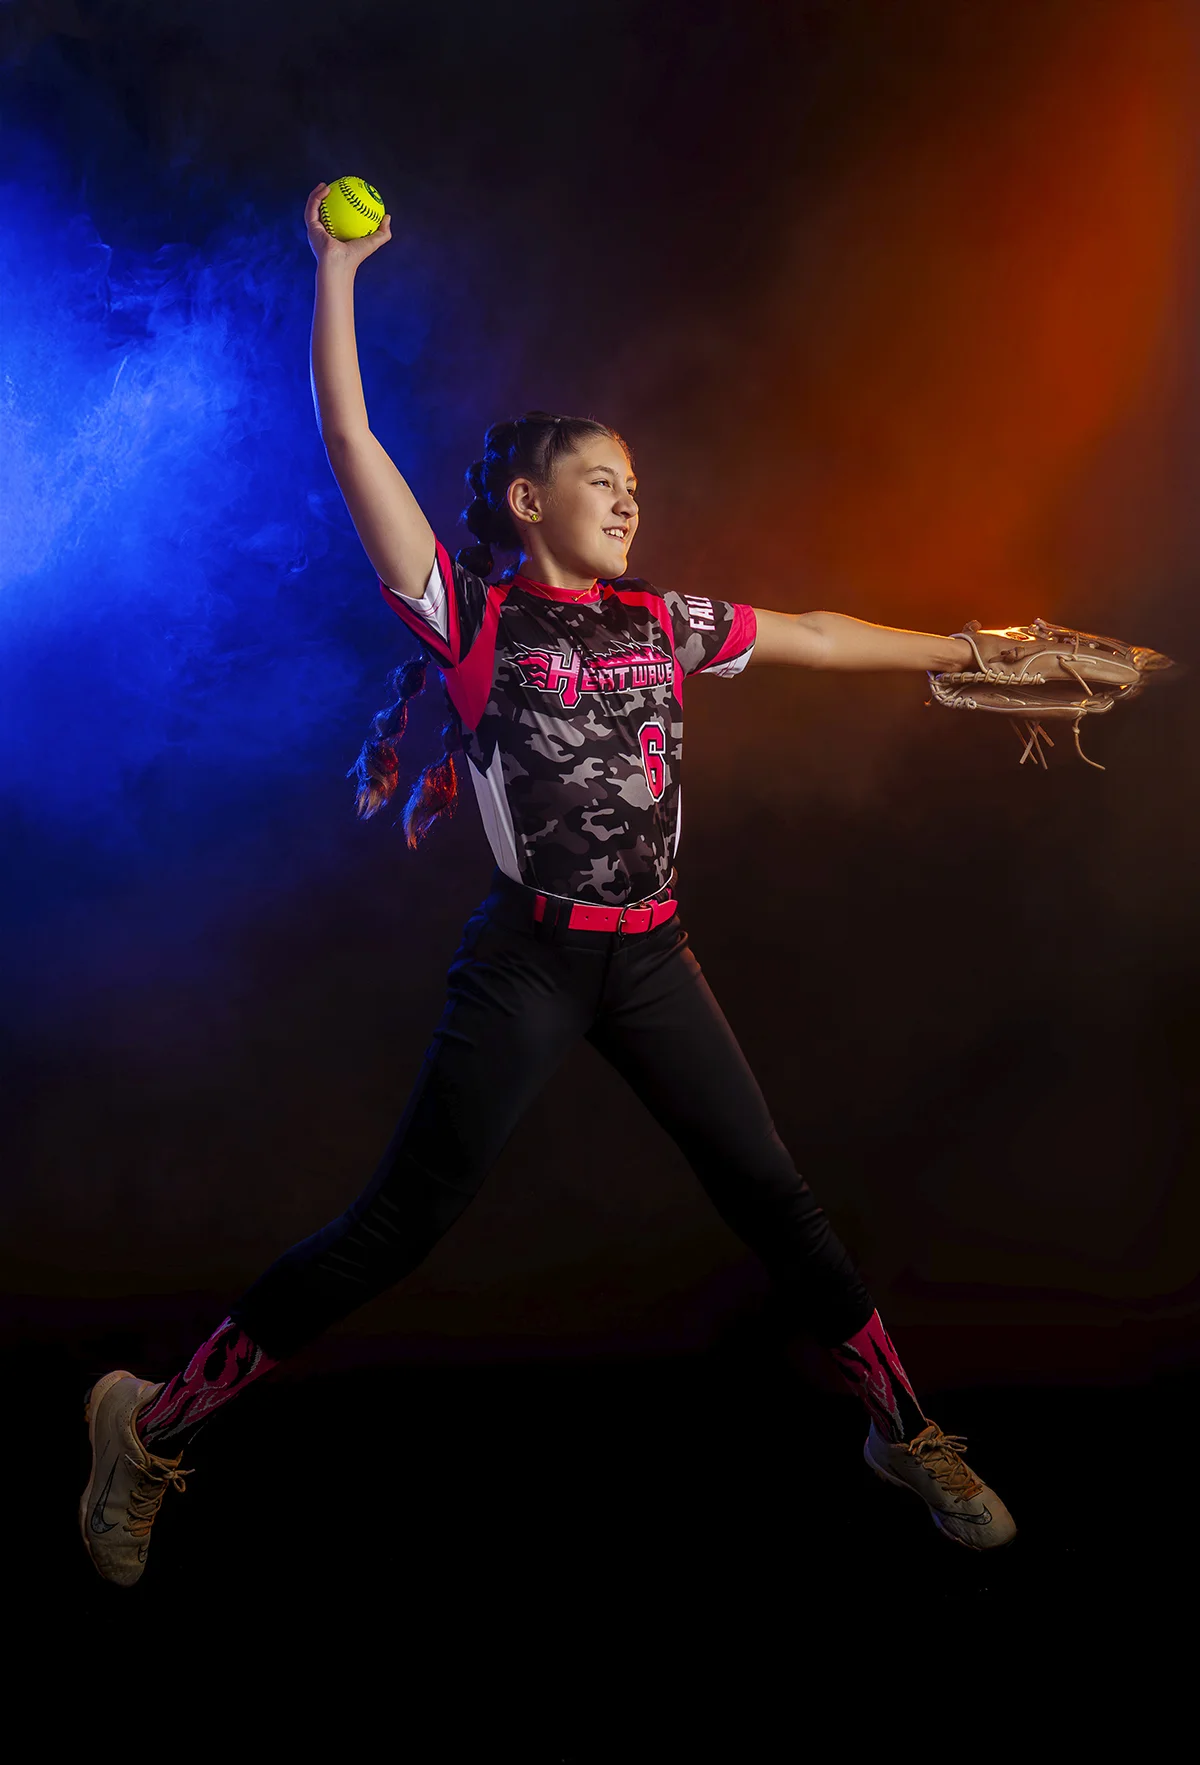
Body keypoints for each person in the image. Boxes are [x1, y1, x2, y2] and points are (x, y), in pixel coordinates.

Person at [80, 182, 1016, 1587]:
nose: (631, 497)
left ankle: (904, 1432)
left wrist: (964, 653)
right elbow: (350, 441)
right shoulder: (472, 620)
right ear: (529, 501)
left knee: (777, 1199)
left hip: (652, 957)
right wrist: (337, 272)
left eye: (639, 484)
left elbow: (815, 630)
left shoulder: (661, 617)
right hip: (531, 958)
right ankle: (148, 1428)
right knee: (400, 1225)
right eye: (602, 479)